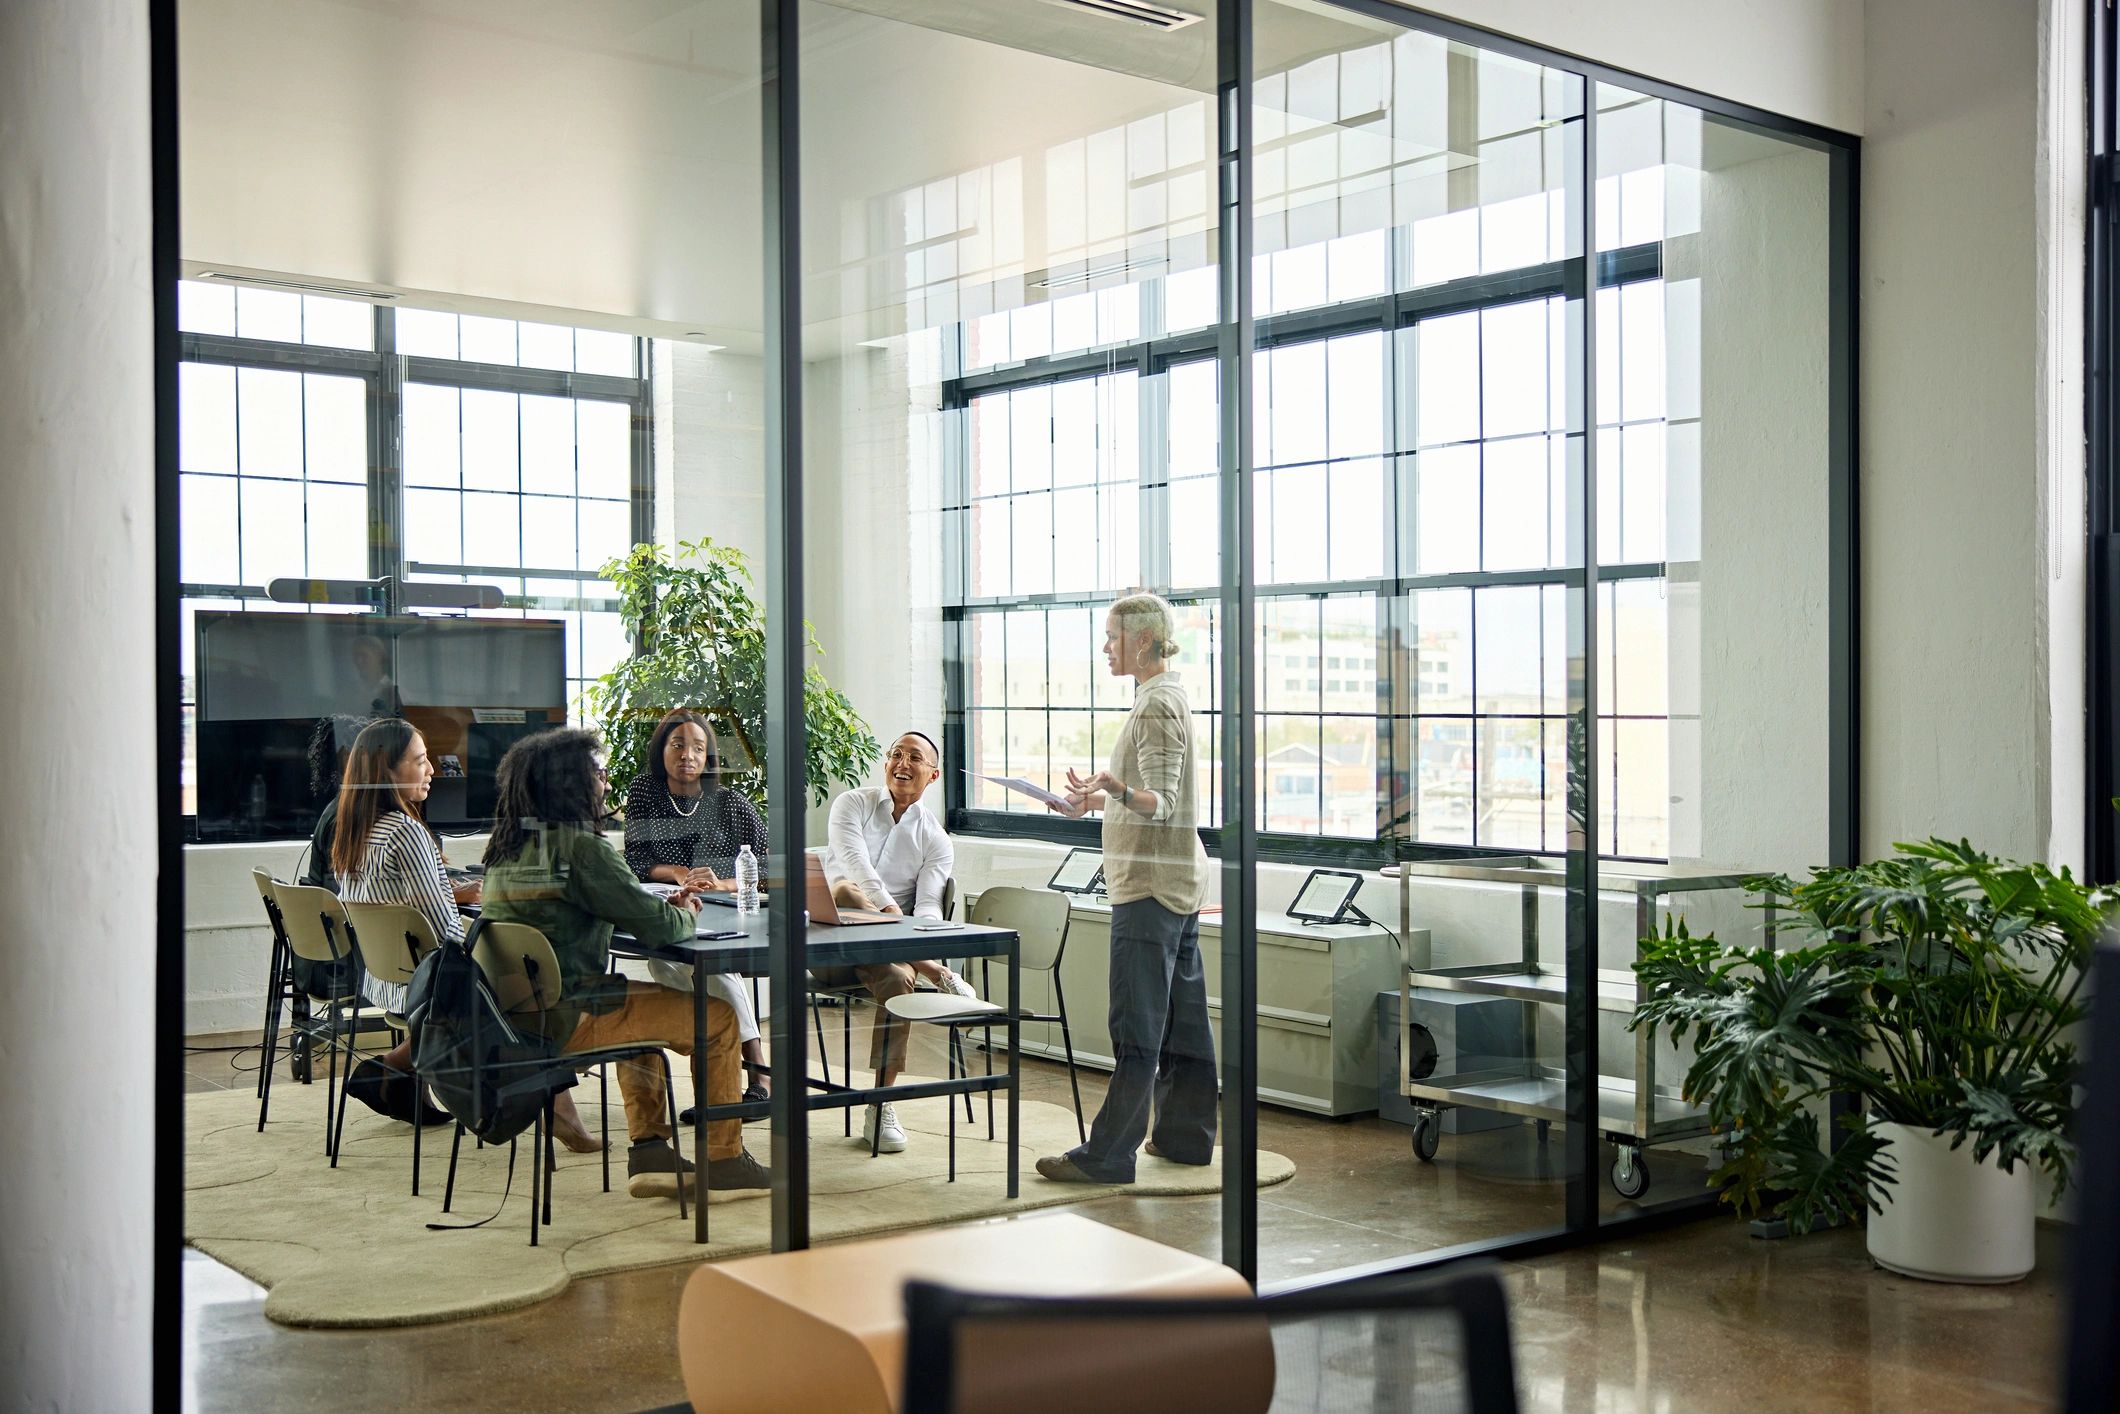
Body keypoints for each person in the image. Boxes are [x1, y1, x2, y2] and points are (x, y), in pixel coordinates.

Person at [481, 727, 770, 1200]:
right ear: (572, 782)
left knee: (636, 1023)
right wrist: (682, 911)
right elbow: (662, 929)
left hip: (513, 1016)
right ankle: (724, 1158)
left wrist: (648, 906)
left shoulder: (506, 849)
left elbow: (608, 903)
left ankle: (651, 1152)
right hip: (566, 1014)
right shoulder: (582, 848)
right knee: (717, 1019)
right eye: (598, 773)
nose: (607, 784)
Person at [1036, 593, 1216, 1184]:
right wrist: (1095, 798)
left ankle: (1109, 1155)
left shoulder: (1155, 706)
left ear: (1142, 639)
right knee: (1184, 1019)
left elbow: (1159, 805)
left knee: (1136, 1025)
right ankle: (1186, 1138)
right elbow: (1156, 796)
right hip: (1178, 881)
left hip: (1149, 889)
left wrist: (1115, 789)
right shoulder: (1168, 696)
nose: (1105, 647)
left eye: (1111, 636)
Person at [814, 729, 976, 1155]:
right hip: (831, 944)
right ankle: (937, 972)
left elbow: (927, 909)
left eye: (914, 758)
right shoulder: (852, 804)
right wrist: (893, 917)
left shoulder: (937, 840)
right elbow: (856, 868)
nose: (902, 764)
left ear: (934, 774)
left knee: (896, 980)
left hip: (890, 952)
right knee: (849, 890)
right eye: (895, 755)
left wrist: (904, 934)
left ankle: (881, 1104)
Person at [622, 709, 772, 1104]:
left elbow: (770, 869)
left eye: (698, 748)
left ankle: (748, 1072)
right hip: (672, 906)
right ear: (662, 751)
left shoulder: (732, 804)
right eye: (678, 745)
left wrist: (721, 882)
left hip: (726, 913)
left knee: (712, 963)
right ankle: (731, 1072)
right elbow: (636, 860)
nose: (688, 755)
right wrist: (678, 873)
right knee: (665, 961)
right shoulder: (643, 793)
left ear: (709, 757)